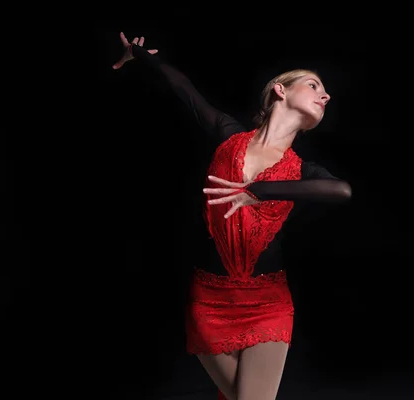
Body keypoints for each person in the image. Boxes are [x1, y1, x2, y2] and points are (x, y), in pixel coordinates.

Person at [112, 32, 352, 400]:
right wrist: (141, 55)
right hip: (208, 299)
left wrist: (260, 190)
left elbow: (341, 191)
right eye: (313, 84)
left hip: (268, 301)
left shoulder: (304, 170)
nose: (326, 94)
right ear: (280, 91)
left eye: (325, 91)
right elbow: (183, 89)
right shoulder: (227, 134)